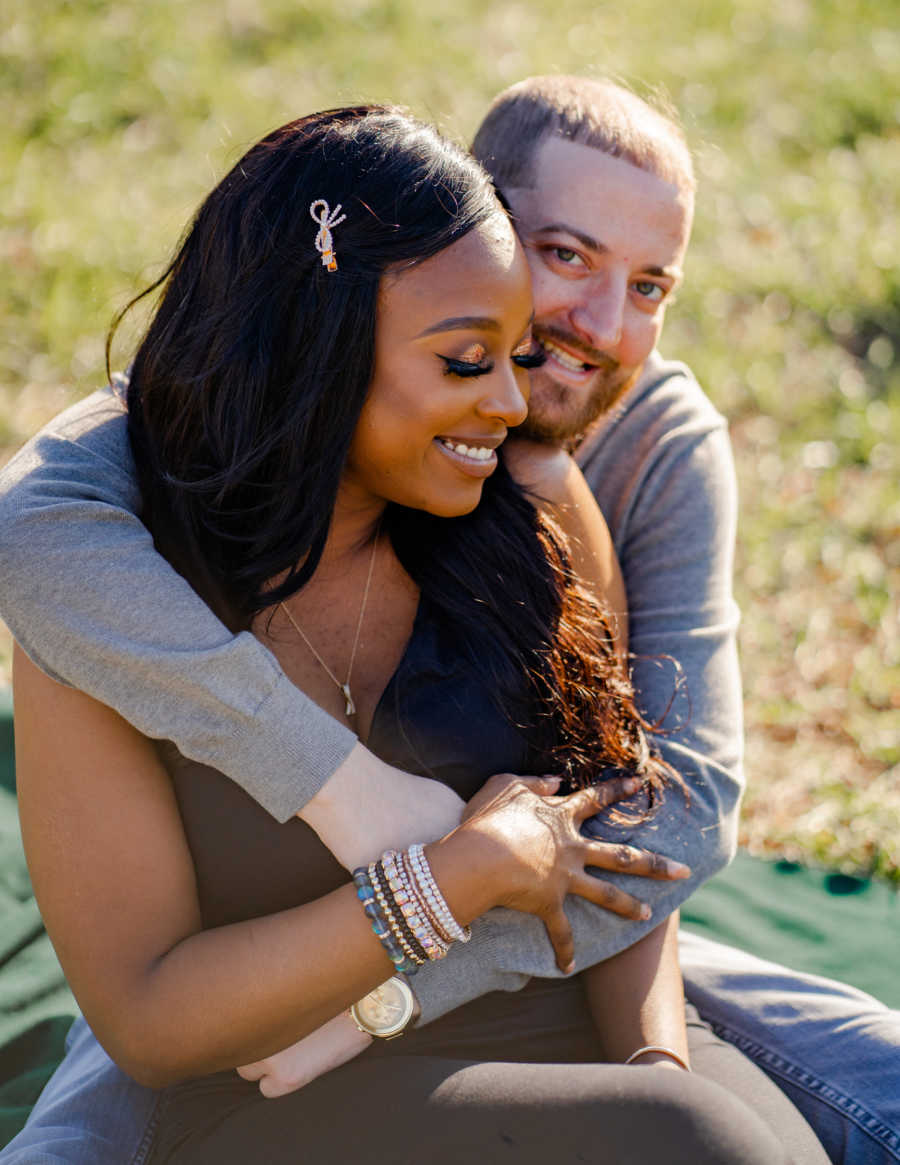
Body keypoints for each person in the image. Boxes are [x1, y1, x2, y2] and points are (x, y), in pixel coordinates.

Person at [0, 77, 894, 1163]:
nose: (516, 402)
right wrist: (450, 876)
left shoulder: (533, 505)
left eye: (515, 355)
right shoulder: (109, 599)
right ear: (314, 351)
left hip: (550, 1022)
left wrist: (658, 1057)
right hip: (277, 1090)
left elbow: (624, 831)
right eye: (469, 360)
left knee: (759, 1135)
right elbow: (147, 1018)